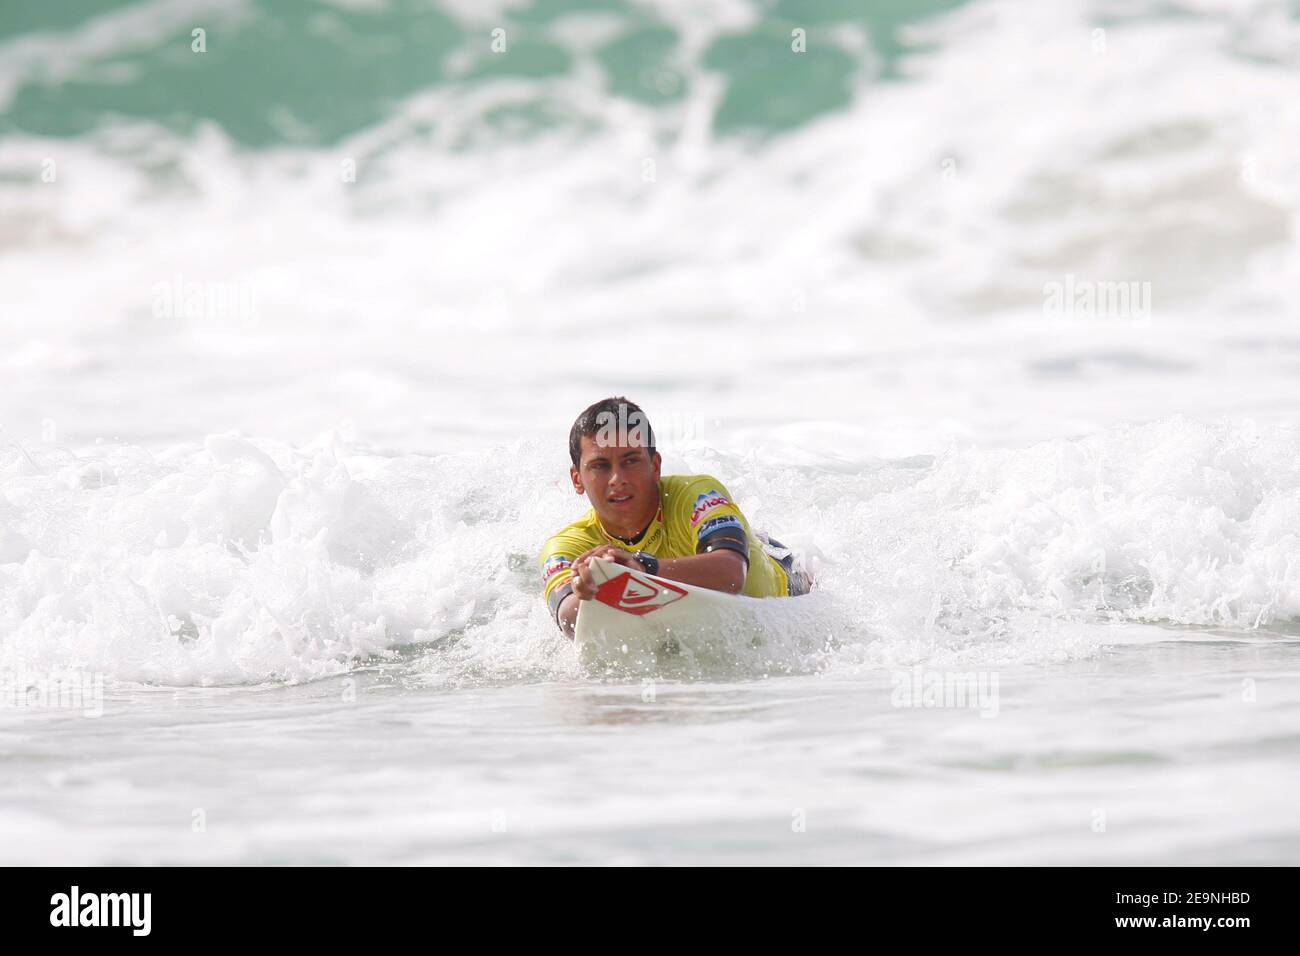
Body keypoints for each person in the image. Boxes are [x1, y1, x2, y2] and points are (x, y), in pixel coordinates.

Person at [539, 396, 812, 638]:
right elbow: (568, 619)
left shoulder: (697, 495)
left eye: (631, 460)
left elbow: (732, 576)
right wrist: (593, 585)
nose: (617, 479)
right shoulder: (567, 546)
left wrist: (642, 569)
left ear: (655, 466)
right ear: (577, 479)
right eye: (600, 466)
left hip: (790, 587)